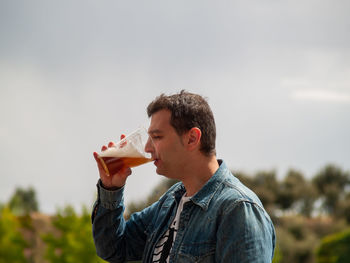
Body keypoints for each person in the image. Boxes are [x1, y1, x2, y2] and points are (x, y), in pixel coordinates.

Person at [92, 91, 276, 263]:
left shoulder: (238, 209)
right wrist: (111, 189)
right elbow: (113, 248)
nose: (147, 148)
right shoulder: (171, 200)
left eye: (156, 137)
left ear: (192, 139)